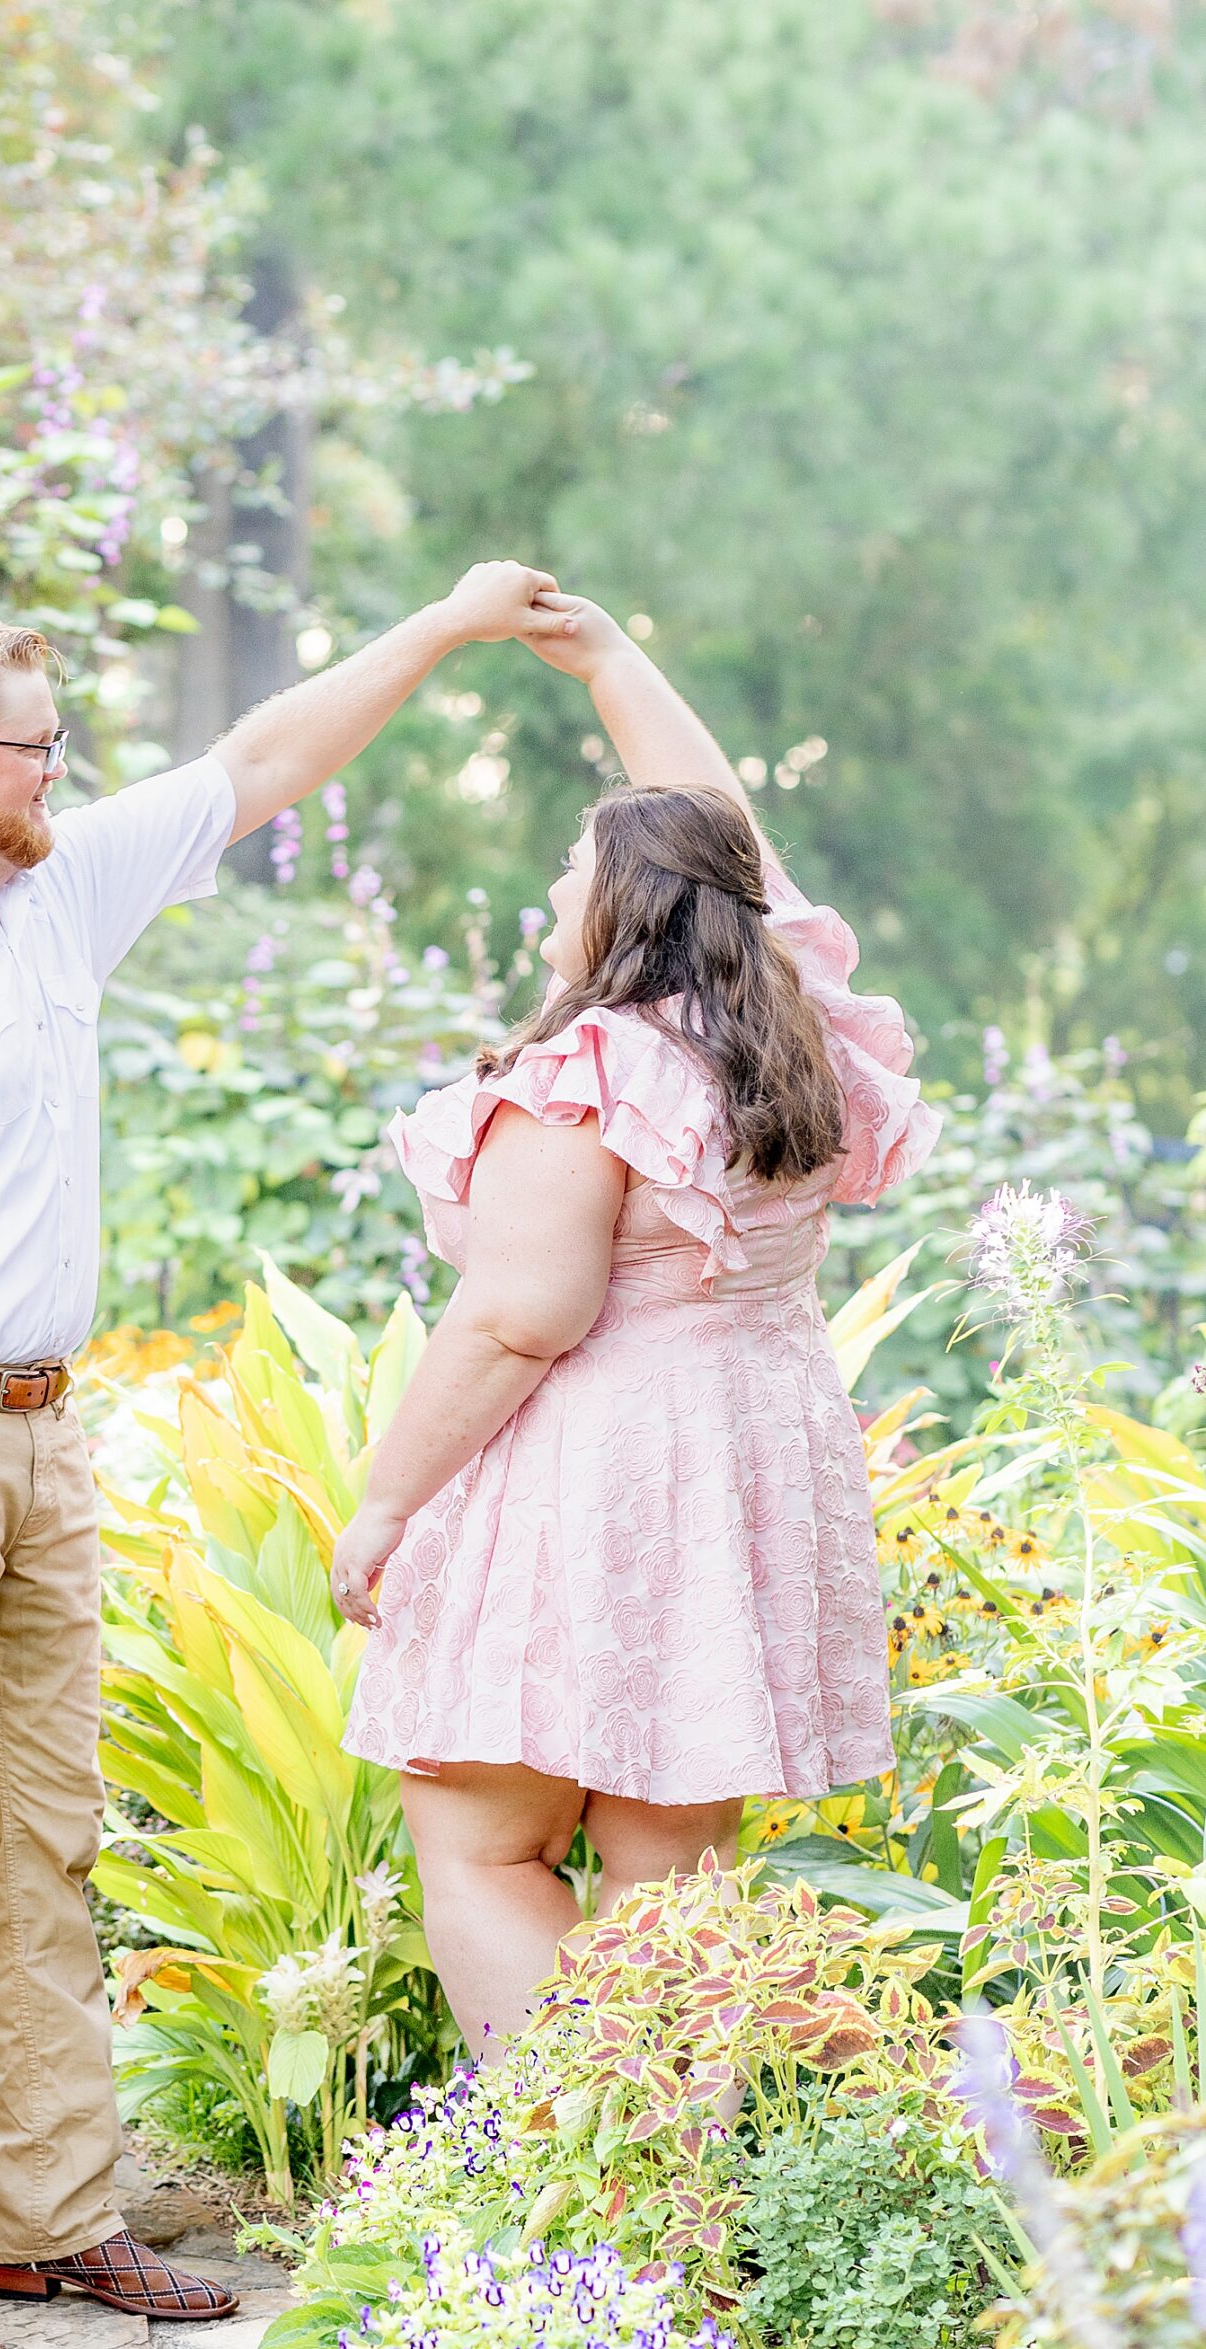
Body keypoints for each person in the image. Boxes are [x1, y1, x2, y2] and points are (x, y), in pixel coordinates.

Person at [0, 567, 578, 2349]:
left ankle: (44, 2223)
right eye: (40, 751)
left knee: (45, 1845)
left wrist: (437, 626)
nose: (66, 775)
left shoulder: (56, 899)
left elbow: (263, 760)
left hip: (43, 1436)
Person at [331, 598, 941, 2059]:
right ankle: (665, 2214)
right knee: (673, 1875)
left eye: (568, 875)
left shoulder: (602, 1067)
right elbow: (733, 844)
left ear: (624, 912)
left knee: (482, 1838)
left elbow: (517, 1319)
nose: (553, 896)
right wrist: (609, 661)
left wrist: (385, 1505)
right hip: (744, 1455)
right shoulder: (797, 1036)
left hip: (600, 1469)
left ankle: (578, 2189)